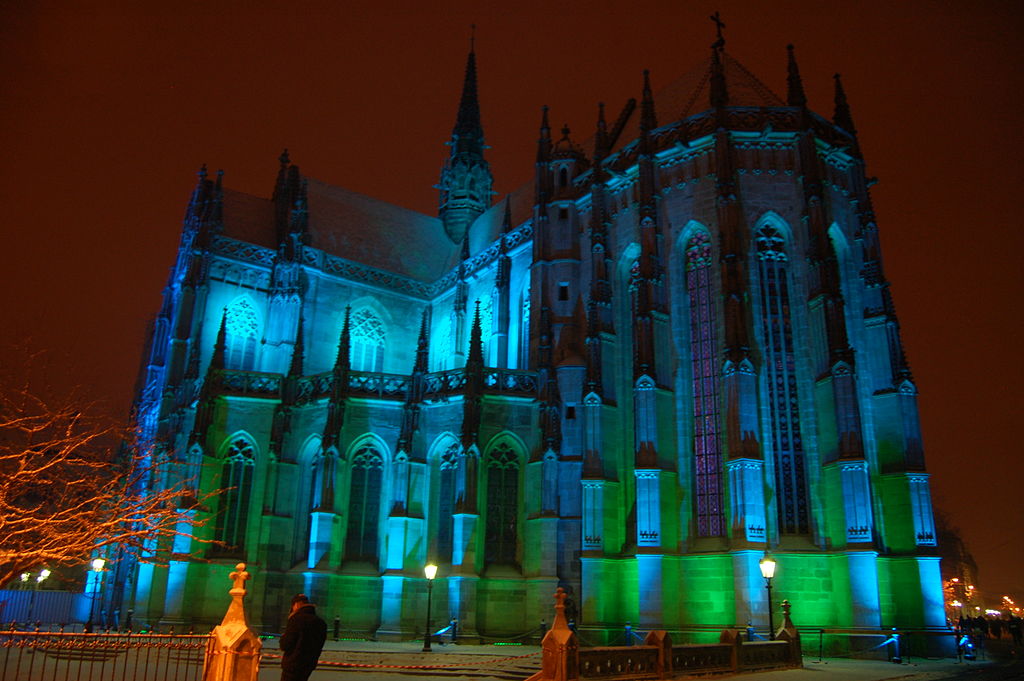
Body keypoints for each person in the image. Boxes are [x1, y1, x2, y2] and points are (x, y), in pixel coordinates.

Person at [280, 593, 327, 681]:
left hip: (292, 665)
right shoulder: (320, 623)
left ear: (296, 605)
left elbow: (286, 645)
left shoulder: (295, 619)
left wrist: (283, 638)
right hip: (308, 665)